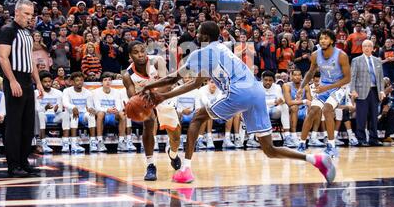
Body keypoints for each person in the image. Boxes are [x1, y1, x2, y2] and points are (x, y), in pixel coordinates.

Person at [141, 21, 336, 184]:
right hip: (256, 91)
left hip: (238, 92)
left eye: (199, 32)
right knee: (269, 149)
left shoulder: (200, 53)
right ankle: (315, 159)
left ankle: (186, 169)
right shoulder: (223, 49)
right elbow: (197, 83)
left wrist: (147, 88)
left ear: (204, 36)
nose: (196, 35)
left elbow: (172, 78)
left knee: (197, 119)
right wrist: (164, 96)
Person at [0, 0, 44, 177]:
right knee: (14, 125)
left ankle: (24, 162)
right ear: (16, 12)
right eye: (26, 14)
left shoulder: (27, 33)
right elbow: (3, 57)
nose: (30, 18)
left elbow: (30, 59)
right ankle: (13, 165)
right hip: (14, 79)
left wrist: (37, 82)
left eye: (32, 14)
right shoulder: (7, 31)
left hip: (27, 81)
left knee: (27, 124)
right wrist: (12, 80)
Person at [122, 41, 181, 181]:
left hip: (163, 97)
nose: (140, 54)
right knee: (148, 122)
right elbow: (133, 98)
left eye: (142, 50)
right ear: (130, 56)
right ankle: (150, 165)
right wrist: (134, 106)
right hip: (145, 102)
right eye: (135, 52)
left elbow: (168, 84)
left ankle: (172, 154)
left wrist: (153, 95)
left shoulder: (157, 61)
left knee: (176, 135)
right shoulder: (127, 76)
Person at [296, 29, 351, 158]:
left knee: (327, 109)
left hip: (339, 87)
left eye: (325, 38)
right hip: (324, 87)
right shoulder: (315, 55)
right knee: (313, 111)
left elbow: (347, 79)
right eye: (321, 38)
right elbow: (310, 72)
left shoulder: (341, 55)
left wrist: (327, 88)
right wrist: (302, 87)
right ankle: (302, 144)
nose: (322, 41)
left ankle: (331, 146)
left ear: (331, 41)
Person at [350, 39, 385, 146]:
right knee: (361, 116)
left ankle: (374, 139)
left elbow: (380, 77)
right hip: (361, 91)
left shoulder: (377, 60)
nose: (367, 48)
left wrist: (382, 90)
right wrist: (353, 90)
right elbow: (353, 76)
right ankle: (361, 139)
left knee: (374, 116)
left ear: (372, 48)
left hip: (375, 91)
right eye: (365, 46)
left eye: (369, 46)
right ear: (362, 48)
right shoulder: (356, 60)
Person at [93, 72, 133, 152]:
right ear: (101, 82)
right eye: (105, 80)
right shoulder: (95, 92)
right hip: (103, 116)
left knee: (122, 114)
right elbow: (97, 107)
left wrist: (115, 110)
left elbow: (118, 106)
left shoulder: (116, 92)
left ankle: (121, 142)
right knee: (100, 113)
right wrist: (108, 110)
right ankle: (100, 141)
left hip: (113, 115)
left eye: (109, 80)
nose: (108, 82)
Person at [34, 71, 68, 154]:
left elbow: (60, 109)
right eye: (45, 82)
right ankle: (43, 143)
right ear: (40, 82)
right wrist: (45, 108)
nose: (48, 84)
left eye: (49, 81)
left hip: (55, 116)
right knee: (40, 114)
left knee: (65, 114)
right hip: (43, 116)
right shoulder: (36, 93)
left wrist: (57, 109)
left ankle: (65, 143)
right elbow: (36, 109)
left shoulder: (59, 93)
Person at [62, 72, 96, 154]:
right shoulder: (67, 91)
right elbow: (65, 103)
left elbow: (90, 106)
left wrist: (92, 109)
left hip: (83, 114)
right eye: (77, 80)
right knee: (74, 115)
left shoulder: (88, 92)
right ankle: (74, 144)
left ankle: (93, 142)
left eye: (81, 80)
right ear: (72, 82)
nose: (80, 82)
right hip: (71, 113)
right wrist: (73, 107)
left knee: (91, 115)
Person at [261, 71, 292, 146]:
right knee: (261, 108)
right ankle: (264, 138)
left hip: (274, 111)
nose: (268, 82)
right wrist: (274, 102)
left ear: (273, 81)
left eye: (270, 80)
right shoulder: (258, 87)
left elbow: (281, 99)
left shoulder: (277, 87)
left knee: (285, 106)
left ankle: (287, 136)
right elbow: (259, 102)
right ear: (262, 79)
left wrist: (281, 101)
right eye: (266, 80)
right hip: (263, 111)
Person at [283, 68, 312, 147]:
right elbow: (289, 102)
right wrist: (303, 101)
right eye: (295, 75)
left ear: (302, 76)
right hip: (290, 110)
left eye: (299, 75)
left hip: (303, 108)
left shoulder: (305, 85)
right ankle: (294, 136)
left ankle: (313, 137)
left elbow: (310, 101)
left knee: (315, 108)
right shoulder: (286, 85)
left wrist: (306, 102)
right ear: (291, 76)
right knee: (294, 107)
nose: (297, 77)